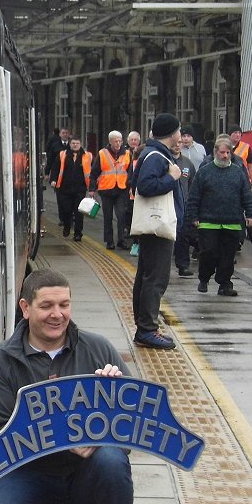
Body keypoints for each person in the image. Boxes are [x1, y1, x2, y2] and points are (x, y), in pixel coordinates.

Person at [0, 269, 136, 504]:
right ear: (25, 308)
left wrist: (116, 397)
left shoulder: (98, 348)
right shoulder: (1, 360)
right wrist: (63, 439)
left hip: (87, 475)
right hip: (32, 474)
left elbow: (132, 426)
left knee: (112, 461)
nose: (57, 314)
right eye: (47, 305)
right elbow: (1, 433)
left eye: (64, 304)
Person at [131, 113, 184, 349]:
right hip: (157, 228)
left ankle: (146, 327)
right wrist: (172, 178)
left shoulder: (155, 154)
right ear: (172, 133)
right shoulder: (155, 156)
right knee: (155, 278)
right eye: (179, 132)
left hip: (155, 227)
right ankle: (147, 329)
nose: (181, 137)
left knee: (148, 275)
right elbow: (145, 186)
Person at [186, 137, 252, 297]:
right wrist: (193, 216)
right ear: (215, 153)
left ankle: (225, 283)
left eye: (228, 153)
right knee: (208, 252)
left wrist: (250, 214)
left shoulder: (238, 172)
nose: (225, 156)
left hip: (232, 222)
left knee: (228, 255)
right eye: (222, 152)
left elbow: (246, 195)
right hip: (208, 222)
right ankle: (204, 278)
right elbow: (194, 196)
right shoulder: (205, 171)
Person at [89, 130, 132, 250]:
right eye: (115, 141)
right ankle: (109, 241)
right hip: (106, 189)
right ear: (110, 142)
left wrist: (130, 186)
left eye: (120, 141)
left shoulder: (127, 153)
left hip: (122, 189)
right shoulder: (102, 153)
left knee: (121, 215)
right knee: (107, 217)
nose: (118, 144)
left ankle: (121, 240)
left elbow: (130, 171)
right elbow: (94, 172)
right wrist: (92, 189)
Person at [50, 132, 92, 241]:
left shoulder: (87, 156)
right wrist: (53, 180)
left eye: (77, 143)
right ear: (70, 143)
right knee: (66, 210)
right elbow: (55, 168)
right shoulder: (62, 154)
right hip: (64, 188)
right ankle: (67, 226)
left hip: (80, 189)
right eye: (73, 143)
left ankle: (78, 233)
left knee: (79, 212)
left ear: (81, 144)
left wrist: (92, 187)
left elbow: (91, 172)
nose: (75, 145)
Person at [172, 134, 197, 277]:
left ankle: (183, 265)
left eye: (180, 143)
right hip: (168, 204)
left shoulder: (187, 163)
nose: (177, 145)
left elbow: (192, 184)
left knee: (183, 236)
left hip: (184, 206)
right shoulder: (166, 161)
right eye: (175, 142)